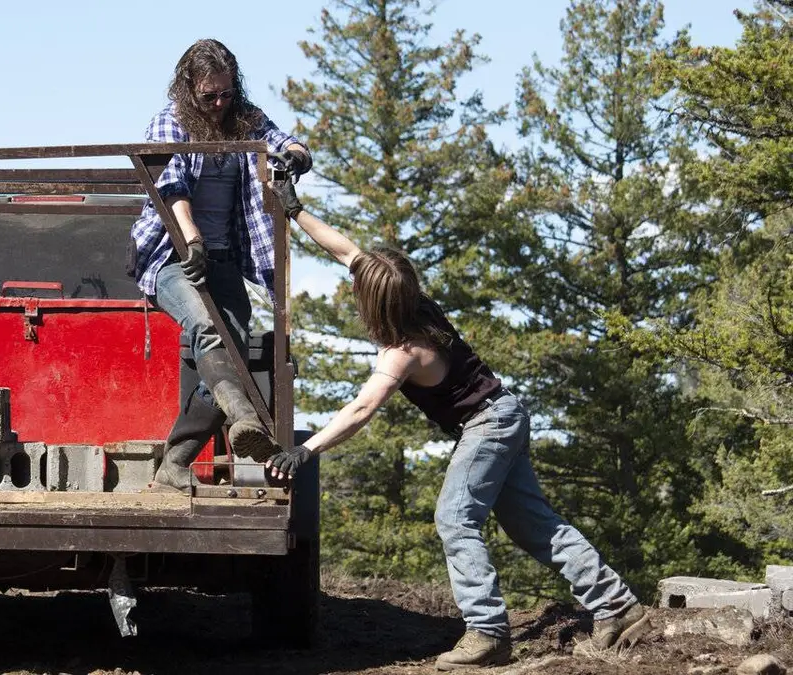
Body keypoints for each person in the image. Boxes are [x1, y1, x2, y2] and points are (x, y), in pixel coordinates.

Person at [263, 180, 651, 670]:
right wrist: (296, 211)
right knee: (533, 525)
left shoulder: (404, 352)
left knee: (454, 519)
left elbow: (361, 410)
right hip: (505, 413)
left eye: (358, 287)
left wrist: (306, 449)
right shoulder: (416, 301)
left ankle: (487, 632)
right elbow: (346, 250)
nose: (352, 285)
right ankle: (618, 606)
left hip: (488, 425)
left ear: (375, 301)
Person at [129, 39, 312, 493]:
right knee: (207, 328)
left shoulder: (244, 119)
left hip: (225, 260)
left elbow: (285, 142)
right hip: (174, 255)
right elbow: (171, 186)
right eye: (209, 95)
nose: (218, 104)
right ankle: (244, 416)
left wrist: (295, 155)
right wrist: (192, 239)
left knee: (231, 361)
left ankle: (174, 464)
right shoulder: (169, 122)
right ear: (189, 88)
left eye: (226, 93)